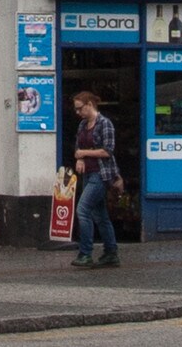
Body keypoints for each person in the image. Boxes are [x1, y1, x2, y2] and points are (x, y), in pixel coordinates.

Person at [70, 90, 120, 268]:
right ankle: (111, 253)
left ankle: (85, 253)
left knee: (82, 210)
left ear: (90, 105)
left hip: (101, 174)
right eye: (76, 110)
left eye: (80, 109)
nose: (78, 113)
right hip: (88, 174)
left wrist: (84, 153)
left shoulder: (105, 124)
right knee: (100, 215)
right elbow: (78, 147)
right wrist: (80, 158)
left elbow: (107, 151)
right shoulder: (83, 125)